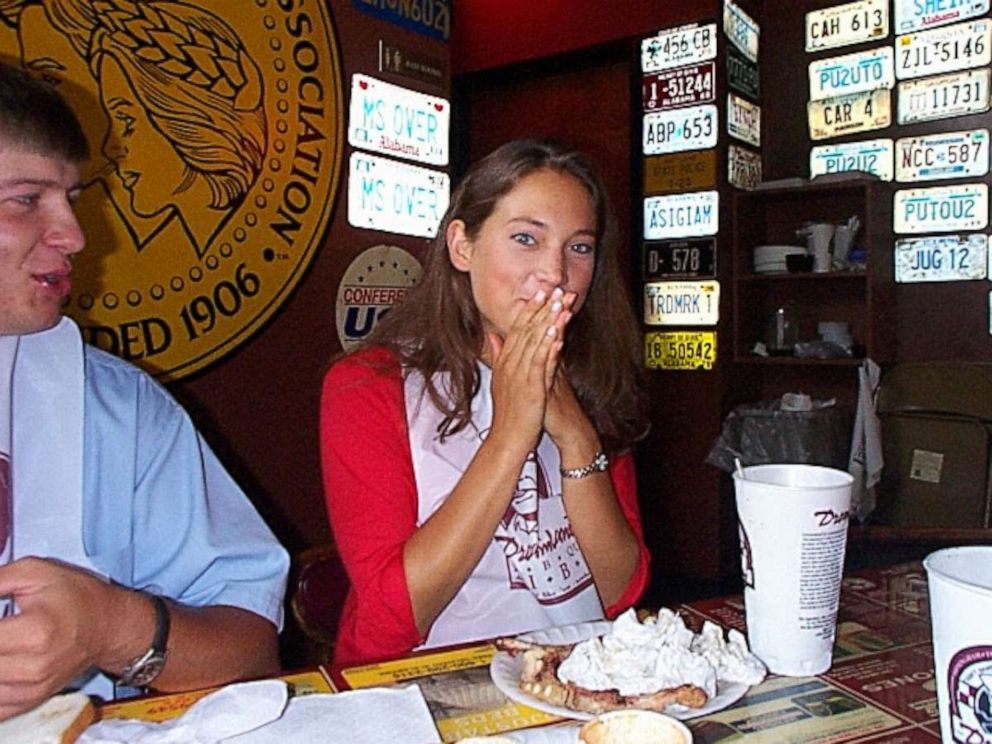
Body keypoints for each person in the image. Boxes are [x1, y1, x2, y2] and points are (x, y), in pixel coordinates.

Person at [0, 62, 288, 721]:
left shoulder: (122, 412)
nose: (73, 235)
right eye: (26, 200)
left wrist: (115, 628)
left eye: (71, 198)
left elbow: (252, 653)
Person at [321, 139, 651, 666]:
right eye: (526, 238)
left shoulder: (591, 377)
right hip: (419, 687)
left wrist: (576, 436)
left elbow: (621, 590)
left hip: (575, 680)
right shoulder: (367, 384)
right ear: (462, 246)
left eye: (579, 247)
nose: (556, 273)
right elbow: (391, 620)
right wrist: (510, 434)